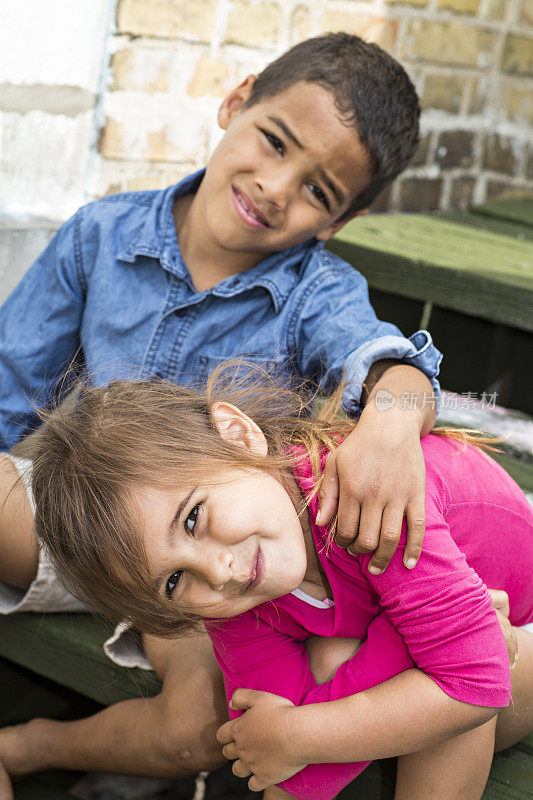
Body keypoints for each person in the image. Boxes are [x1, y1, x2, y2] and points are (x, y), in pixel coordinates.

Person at [0, 33, 444, 793]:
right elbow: (9, 389)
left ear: (338, 221)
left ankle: (25, 749)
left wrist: (396, 419)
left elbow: (390, 362)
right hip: (75, 518)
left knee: (201, 728)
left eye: (316, 192)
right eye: (274, 142)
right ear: (235, 102)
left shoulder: (318, 294)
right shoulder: (100, 235)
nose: (275, 187)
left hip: (208, 571)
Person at [19, 369, 533, 800]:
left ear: (240, 437)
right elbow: (281, 763)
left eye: (194, 518)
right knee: (342, 663)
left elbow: (476, 683)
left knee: (452, 670)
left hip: (519, 639)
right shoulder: (234, 607)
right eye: (175, 581)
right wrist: (289, 740)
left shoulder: (365, 501)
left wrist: (297, 735)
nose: (219, 572)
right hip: (467, 640)